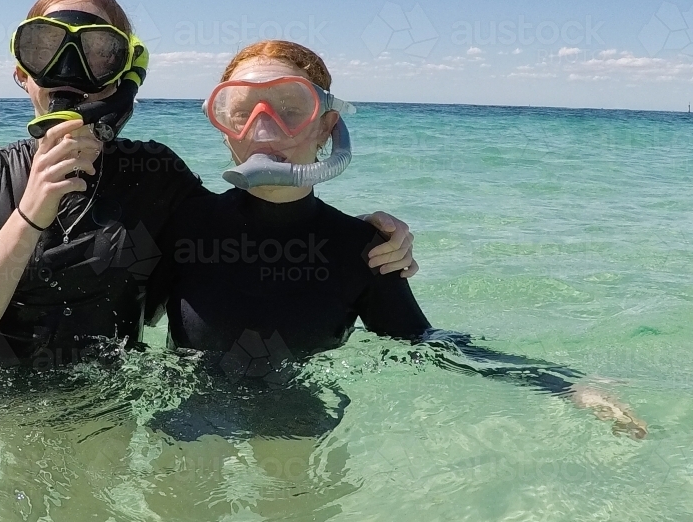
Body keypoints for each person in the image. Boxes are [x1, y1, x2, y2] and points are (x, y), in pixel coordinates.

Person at [145, 39, 648, 439]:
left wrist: (563, 384)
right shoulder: (181, 223)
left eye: (289, 106)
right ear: (223, 127)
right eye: (242, 109)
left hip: (298, 418)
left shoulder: (360, 247)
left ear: (326, 126)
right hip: (190, 412)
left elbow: (427, 345)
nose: (264, 127)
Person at [0, 0, 417, 372]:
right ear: (22, 72)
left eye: (99, 51)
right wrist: (31, 212)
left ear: (124, 71)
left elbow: (247, 229)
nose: (70, 71)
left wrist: (364, 236)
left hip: (108, 409)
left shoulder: (154, 174)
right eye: (45, 48)